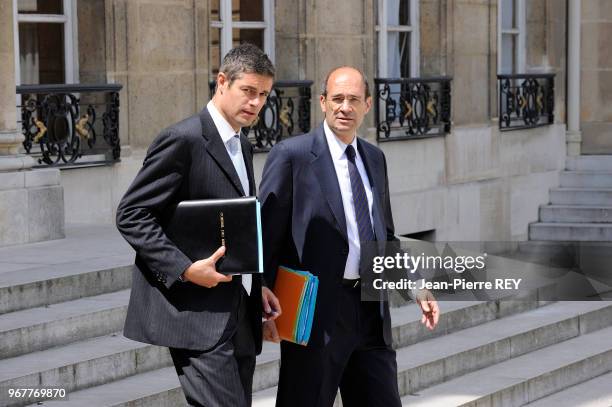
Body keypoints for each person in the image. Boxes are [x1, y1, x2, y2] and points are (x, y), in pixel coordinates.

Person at [258, 66, 440, 407]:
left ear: (368, 105)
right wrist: (262, 297)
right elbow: (265, 235)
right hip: (316, 315)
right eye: (338, 99)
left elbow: (384, 236)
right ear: (323, 103)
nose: (345, 107)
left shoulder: (374, 158)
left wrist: (415, 285)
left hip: (370, 310)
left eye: (354, 99)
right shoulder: (292, 156)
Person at [116, 43, 281, 407]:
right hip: (196, 316)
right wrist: (186, 270)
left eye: (263, 95)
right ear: (222, 82)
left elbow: (239, 224)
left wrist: (261, 283)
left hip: (240, 311)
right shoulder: (183, 139)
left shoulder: (244, 144)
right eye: (248, 91)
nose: (256, 103)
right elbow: (132, 214)